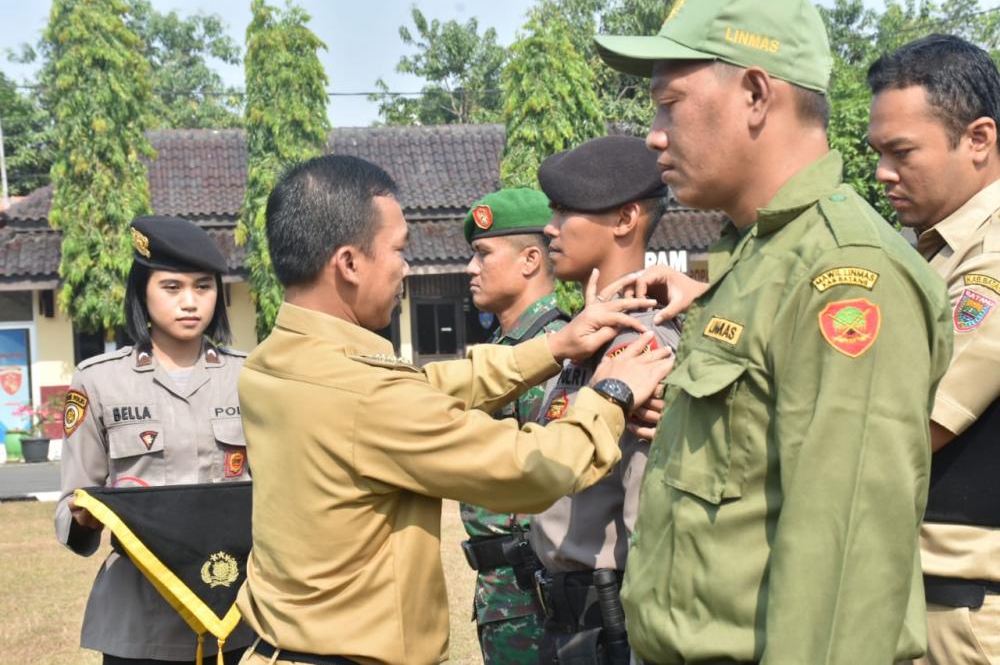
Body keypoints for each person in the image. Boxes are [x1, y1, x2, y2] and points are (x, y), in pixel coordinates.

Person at [593, 0, 954, 662]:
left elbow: (843, 574)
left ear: (756, 93)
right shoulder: (758, 261)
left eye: (669, 103)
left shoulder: (843, 274)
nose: (654, 133)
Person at [233, 154, 674, 665]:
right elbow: (528, 469)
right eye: (398, 251)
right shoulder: (366, 395)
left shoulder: (272, 363)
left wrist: (552, 349)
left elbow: (423, 386)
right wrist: (613, 393)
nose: (407, 268)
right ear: (349, 263)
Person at [55, 216, 253, 664]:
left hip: (231, 609)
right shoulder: (98, 382)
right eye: (172, 287)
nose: (190, 302)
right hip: (139, 616)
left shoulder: (248, 377)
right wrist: (83, 517)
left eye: (203, 287)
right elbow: (72, 499)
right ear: (141, 293)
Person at [867, 34, 1000, 665]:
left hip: (964, 609)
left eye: (902, 152)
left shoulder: (992, 257)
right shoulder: (925, 248)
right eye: (879, 153)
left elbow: (918, 420)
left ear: (978, 139)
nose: (883, 173)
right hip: (920, 594)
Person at [527, 135, 681, 664]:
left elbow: (648, 514)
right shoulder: (585, 337)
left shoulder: (641, 343)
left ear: (624, 220)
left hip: (612, 623)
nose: (551, 226)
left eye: (567, 209)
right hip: (570, 620)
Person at [459, 188, 569, 663]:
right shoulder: (506, 347)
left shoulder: (556, 349)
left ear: (529, 260)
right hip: (504, 591)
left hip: (536, 590)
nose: (470, 267)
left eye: (483, 254)